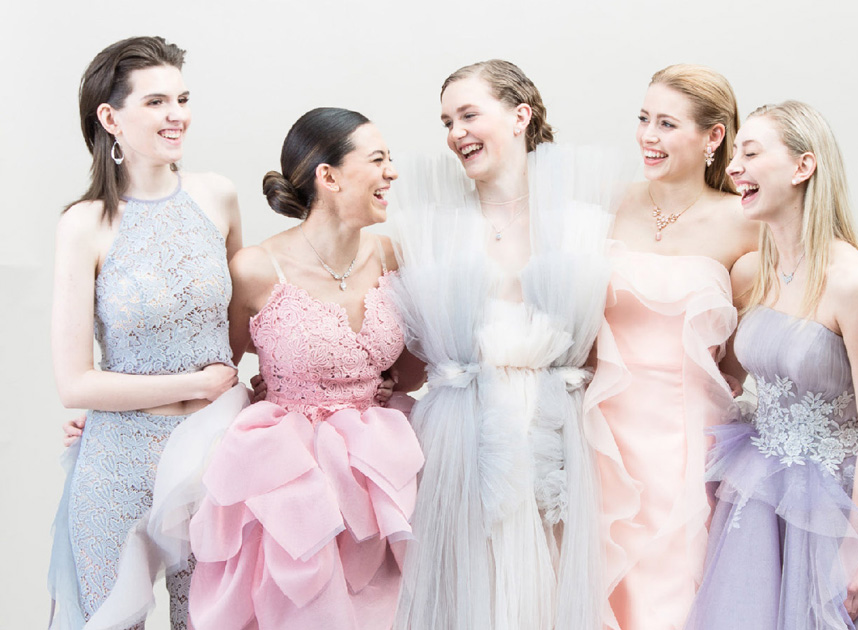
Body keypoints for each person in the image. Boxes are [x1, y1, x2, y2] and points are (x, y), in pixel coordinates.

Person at [685, 100, 858, 629]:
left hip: (837, 501)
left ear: (802, 167)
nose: (733, 168)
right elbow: (736, 375)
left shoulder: (852, 283)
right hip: (760, 492)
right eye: (734, 154)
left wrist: (853, 546)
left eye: (750, 152)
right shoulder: (756, 271)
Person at [390, 60, 627, 630]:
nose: (455, 133)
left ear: (520, 116)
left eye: (469, 114)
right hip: (460, 433)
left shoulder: (578, 220)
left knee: (548, 579)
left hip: (551, 427)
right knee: (467, 587)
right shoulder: (436, 223)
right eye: (447, 121)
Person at [187, 108, 424, 629]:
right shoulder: (254, 269)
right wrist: (118, 415)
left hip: (376, 472)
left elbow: (412, 374)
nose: (393, 173)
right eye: (379, 160)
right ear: (329, 176)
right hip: (287, 475)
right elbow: (213, 370)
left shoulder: (393, 257)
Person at [48, 36, 245, 629]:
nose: (177, 115)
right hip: (119, 464)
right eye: (157, 102)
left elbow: (246, 323)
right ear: (111, 118)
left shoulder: (218, 197)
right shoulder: (85, 225)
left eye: (181, 98)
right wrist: (195, 383)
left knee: (208, 621)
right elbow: (75, 382)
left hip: (214, 455)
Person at [583, 64, 759, 630]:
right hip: (600, 425)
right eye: (643, 119)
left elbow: (766, 329)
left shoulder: (745, 221)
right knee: (598, 575)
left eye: (666, 123)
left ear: (714, 136)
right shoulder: (608, 202)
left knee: (673, 585)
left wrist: (734, 370)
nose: (647, 136)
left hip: (687, 431)